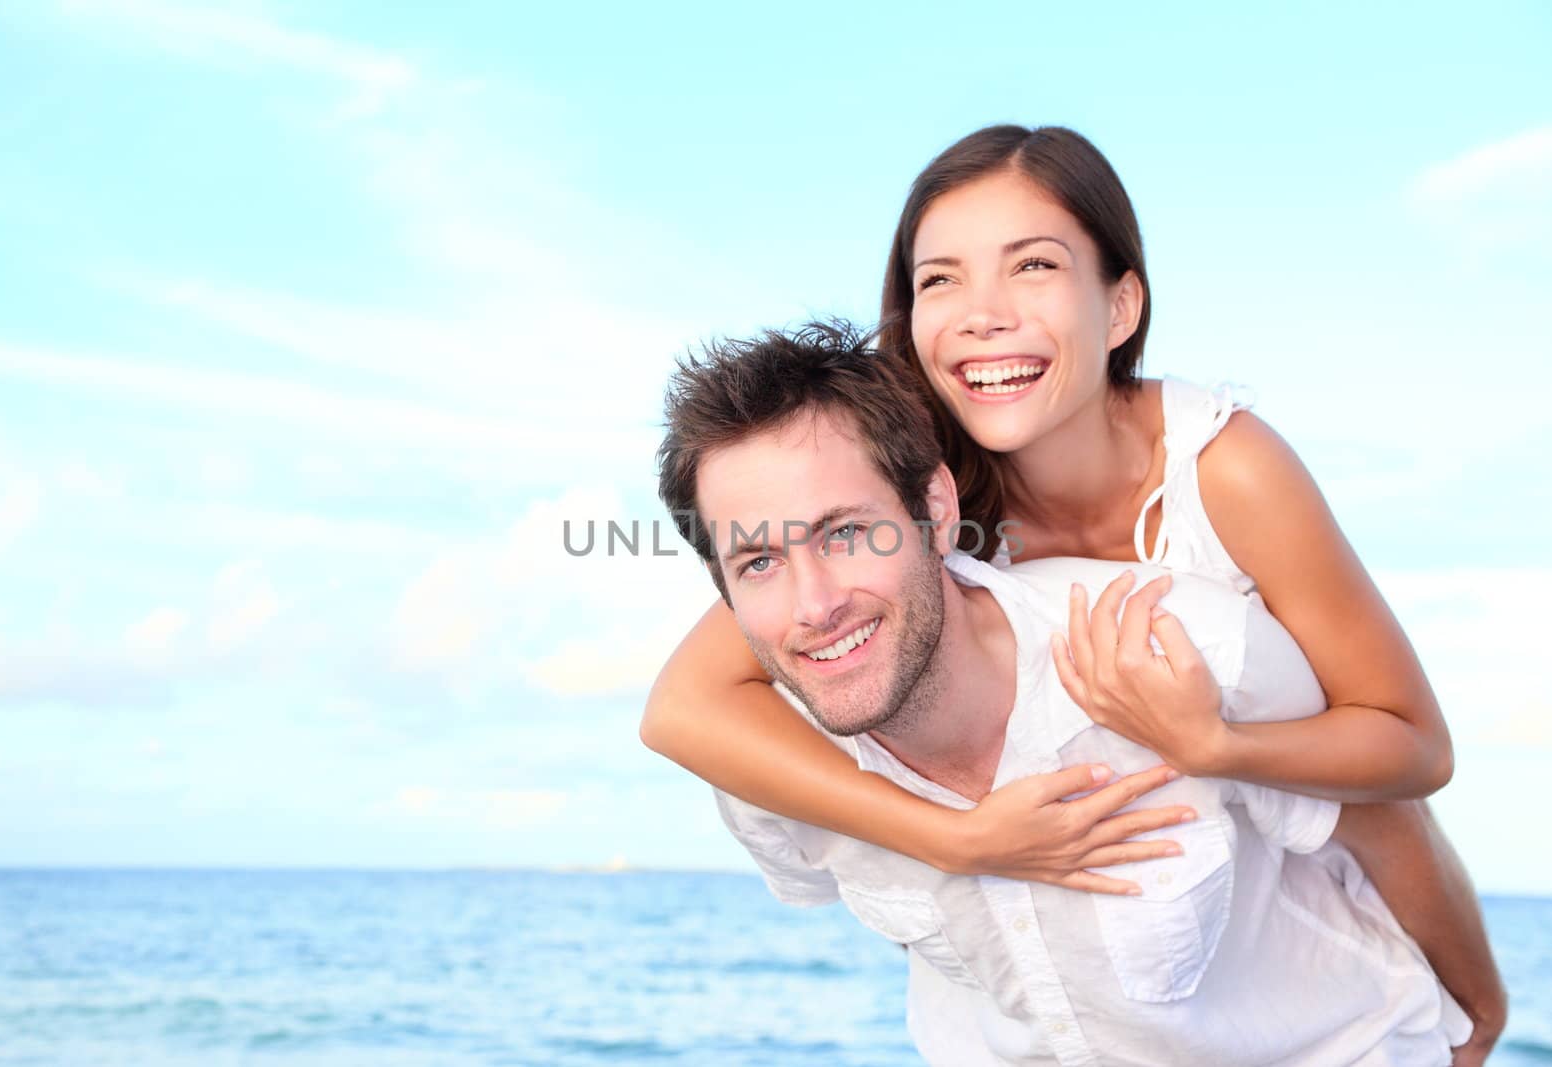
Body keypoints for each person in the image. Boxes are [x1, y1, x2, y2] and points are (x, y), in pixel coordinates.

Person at [642, 126, 1504, 1057]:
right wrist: (955, 839)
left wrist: (1213, 743)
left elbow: (1408, 755)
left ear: (1121, 302)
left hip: (1298, 916)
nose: (984, 313)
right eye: (941, 279)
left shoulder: (1226, 473)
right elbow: (689, 706)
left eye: (1033, 265)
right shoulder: (912, 482)